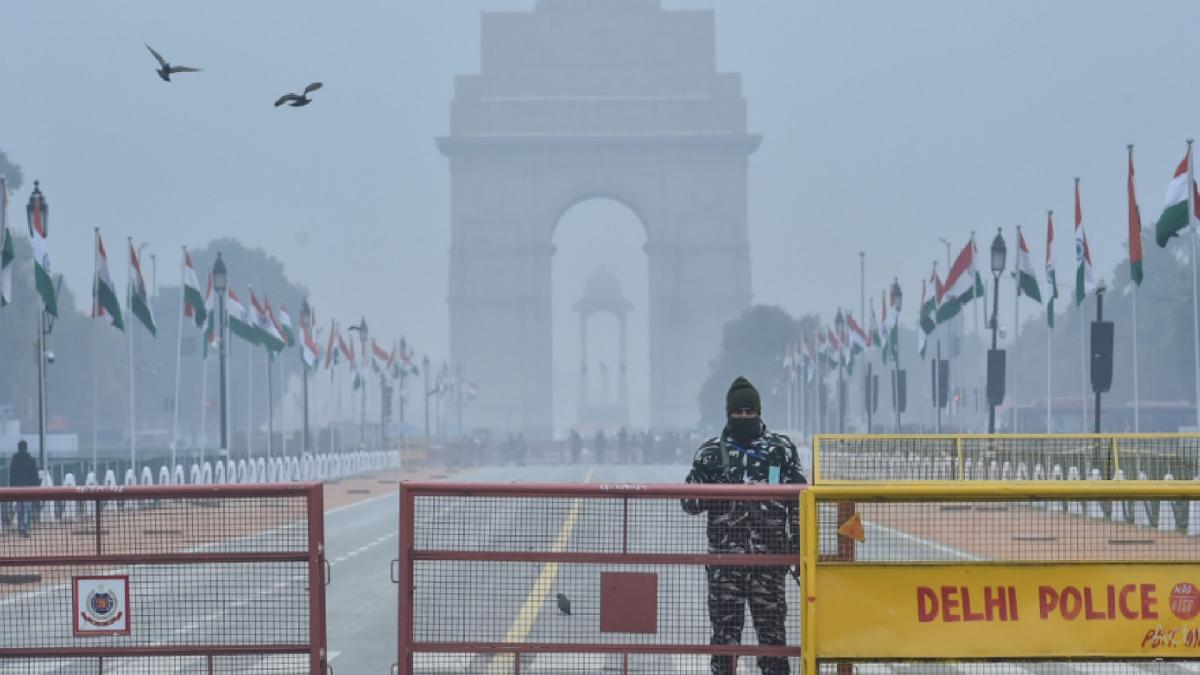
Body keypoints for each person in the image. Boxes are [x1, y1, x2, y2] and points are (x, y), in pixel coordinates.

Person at [682, 376, 806, 675]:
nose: (744, 417)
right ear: (729, 414)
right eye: (738, 412)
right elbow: (688, 502)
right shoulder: (711, 453)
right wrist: (716, 491)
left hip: (770, 564)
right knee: (725, 646)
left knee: (773, 646)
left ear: (759, 412)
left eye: (750, 411)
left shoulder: (780, 449)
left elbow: (800, 500)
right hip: (726, 566)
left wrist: (799, 547)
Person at [9, 440, 40, 537]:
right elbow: (35, 476)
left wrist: (11, 488)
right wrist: (37, 488)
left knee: (20, 510)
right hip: (28, 490)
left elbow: (11, 476)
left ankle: (21, 528)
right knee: (27, 510)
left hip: (17, 490)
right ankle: (25, 528)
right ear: (26, 448)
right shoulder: (31, 460)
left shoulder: (14, 460)